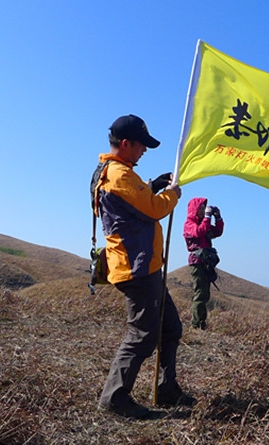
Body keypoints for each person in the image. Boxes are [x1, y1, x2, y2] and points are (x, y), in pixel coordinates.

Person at [91, 114, 195, 419]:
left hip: (140, 264)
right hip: (135, 267)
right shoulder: (120, 174)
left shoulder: (107, 172)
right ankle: (115, 397)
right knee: (142, 334)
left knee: (169, 327)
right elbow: (154, 208)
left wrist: (151, 185)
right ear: (126, 144)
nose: (144, 151)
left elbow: (131, 204)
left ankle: (166, 388)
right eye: (141, 145)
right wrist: (172, 193)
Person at [183, 197, 224, 330]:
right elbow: (198, 232)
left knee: (205, 293)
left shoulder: (203, 223)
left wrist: (218, 218)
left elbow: (217, 232)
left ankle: (201, 322)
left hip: (205, 261)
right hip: (197, 262)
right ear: (195, 210)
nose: (203, 210)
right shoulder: (189, 224)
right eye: (201, 207)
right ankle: (196, 324)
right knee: (200, 293)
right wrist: (207, 217)